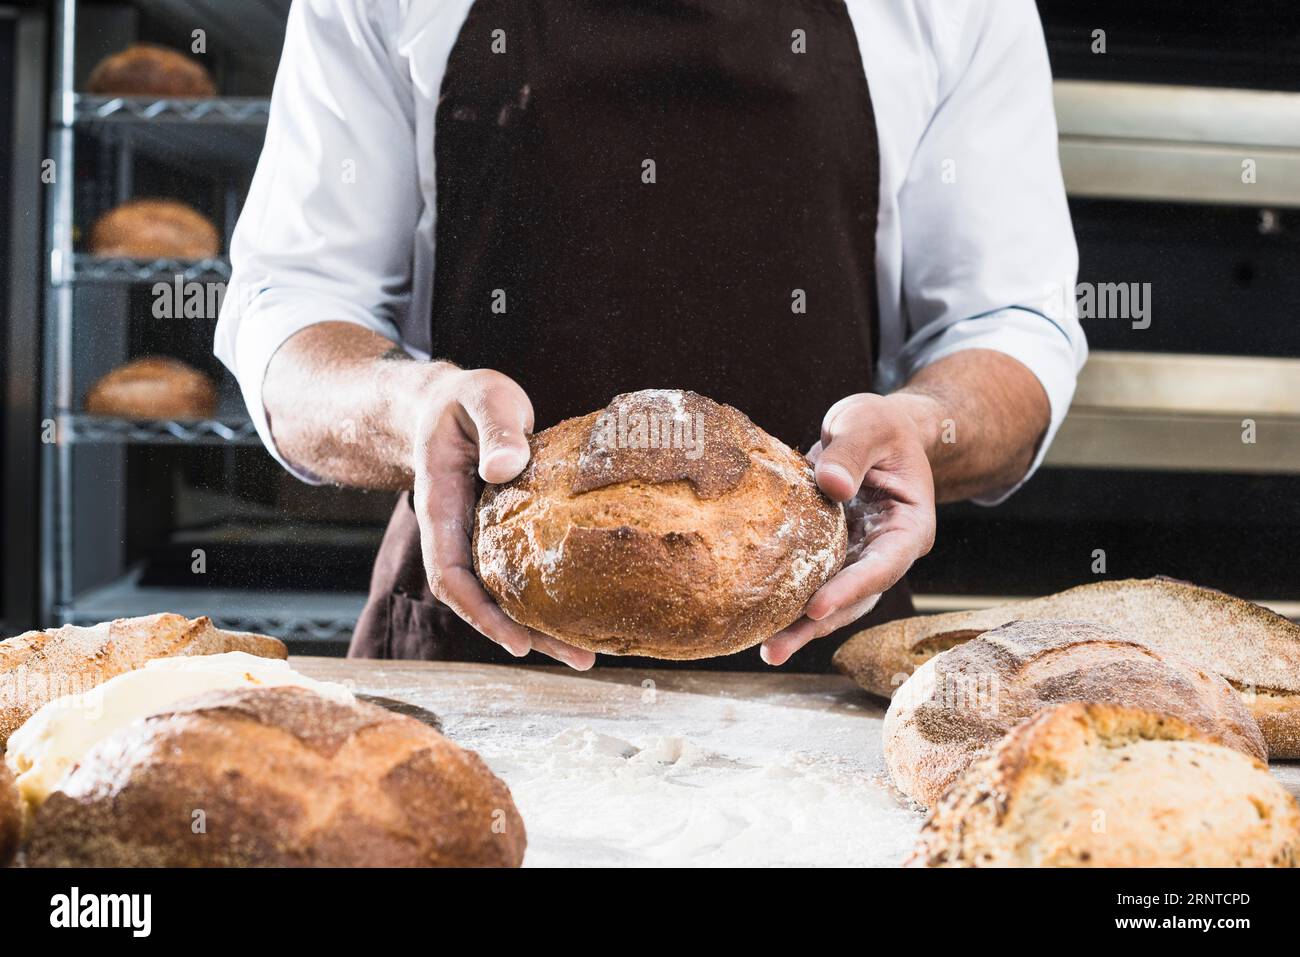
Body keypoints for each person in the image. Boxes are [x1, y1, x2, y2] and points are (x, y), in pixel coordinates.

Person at [215, 0, 1087, 672]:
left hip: (816, 643)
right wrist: (411, 408)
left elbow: (1009, 322)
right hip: (479, 651)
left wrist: (927, 425)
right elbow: (292, 305)